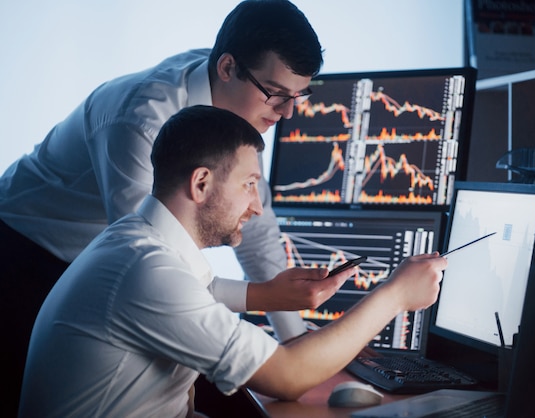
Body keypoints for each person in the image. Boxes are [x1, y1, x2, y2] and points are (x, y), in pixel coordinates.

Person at [0, 1, 326, 414]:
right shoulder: (140, 123)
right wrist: (282, 344)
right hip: (25, 246)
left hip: (102, 258)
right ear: (227, 68)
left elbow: (255, 224)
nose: (289, 112)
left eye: (299, 96)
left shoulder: (238, 102)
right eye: (277, 94)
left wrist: (292, 333)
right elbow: (152, 269)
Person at [18, 105, 447, 417]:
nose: (257, 207)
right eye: (249, 184)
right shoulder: (147, 271)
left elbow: (204, 296)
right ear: (201, 183)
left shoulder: (142, 243)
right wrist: (394, 297)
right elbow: (287, 376)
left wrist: (273, 295)